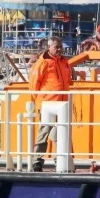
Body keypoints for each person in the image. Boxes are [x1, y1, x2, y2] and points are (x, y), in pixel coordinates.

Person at [29, 36, 71, 172]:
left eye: (60, 47)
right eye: (56, 47)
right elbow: (34, 84)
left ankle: (59, 160)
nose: (59, 49)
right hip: (47, 104)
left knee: (59, 132)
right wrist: (41, 101)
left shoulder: (64, 62)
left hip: (62, 104)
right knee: (44, 132)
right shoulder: (42, 63)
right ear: (49, 47)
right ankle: (37, 160)